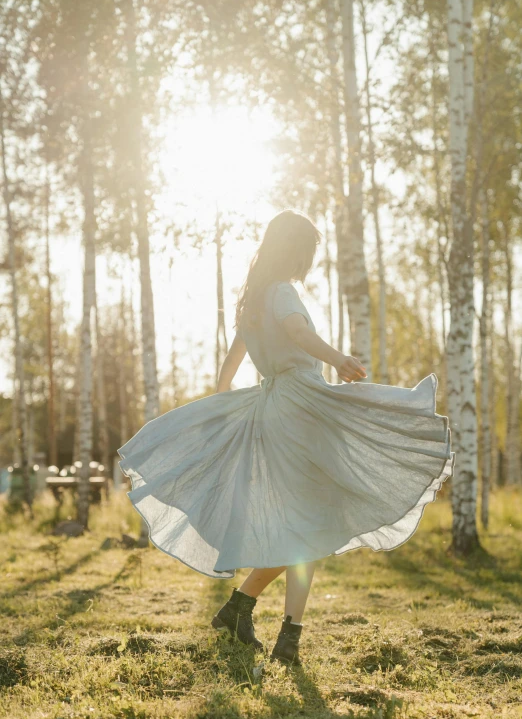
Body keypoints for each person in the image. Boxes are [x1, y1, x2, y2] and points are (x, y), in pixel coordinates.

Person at [118, 209, 454, 666]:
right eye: (308, 251)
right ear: (294, 249)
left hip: (272, 408)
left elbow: (226, 375)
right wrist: (337, 359)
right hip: (300, 406)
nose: (309, 261)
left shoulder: (251, 305)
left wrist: (237, 413)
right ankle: (277, 631)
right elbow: (297, 332)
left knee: (307, 522)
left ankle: (251, 616)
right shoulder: (282, 293)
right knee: (311, 524)